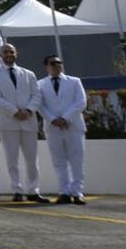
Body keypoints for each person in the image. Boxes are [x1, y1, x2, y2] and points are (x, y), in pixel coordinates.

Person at [0, 44, 48, 202]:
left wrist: (28, 110)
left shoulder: (28, 74)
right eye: (5, 52)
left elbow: (36, 95)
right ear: (0, 55)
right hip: (9, 122)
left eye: (11, 51)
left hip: (28, 121)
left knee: (32, 159)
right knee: (12, 159)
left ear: (16, 53)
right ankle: (17, 190)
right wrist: (14, 111)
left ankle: (33, 190)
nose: (9, 54)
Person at [37, 55, 87, 204]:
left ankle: (77, 192)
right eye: (53, 63)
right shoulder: (40, 84)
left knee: (77, 160)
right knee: (59, 161)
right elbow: (40, 105)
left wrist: (65, 118)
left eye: (59, 63)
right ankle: (64, 191)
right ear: (47, 66)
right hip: (53, 128)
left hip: (73, 126)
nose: (57, 65)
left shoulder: (74, 81)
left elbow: (81, 102)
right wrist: (53, 119)